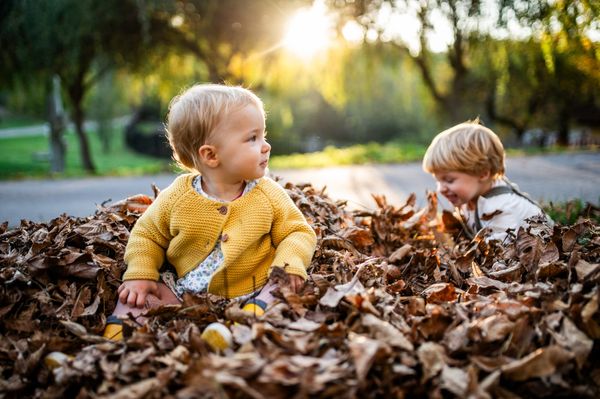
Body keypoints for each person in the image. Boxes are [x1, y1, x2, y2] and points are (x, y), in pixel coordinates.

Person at [103, 84, 317, 349]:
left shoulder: (267, 194)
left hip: (251, 289)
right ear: (211, 155)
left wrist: (289, 265)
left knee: (279, 287)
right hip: (184, 294)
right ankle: (108, 343)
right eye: (252, 138)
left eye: (263, 135)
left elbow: (297, 231)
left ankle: (248, 320)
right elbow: (147, 234)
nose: (266, 146)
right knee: (134, 297)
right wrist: (141, 273)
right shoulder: (177, 197)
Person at [422, 119, 552, 242]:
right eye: (438, 181)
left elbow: (499, 254)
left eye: (449, 180)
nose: (441, 189)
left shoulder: (500, 208)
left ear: (483, 173)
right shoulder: (472, 196)